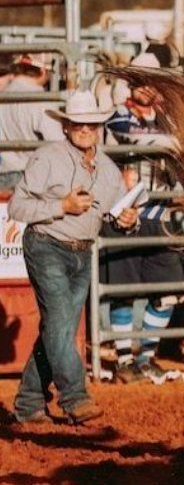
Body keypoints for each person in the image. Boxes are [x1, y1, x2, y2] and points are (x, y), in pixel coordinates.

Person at [10, 91, 138, 424]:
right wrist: (61, 207)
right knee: (60, 326)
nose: (85, 129)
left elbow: (117, 214)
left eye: (91, 124)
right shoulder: (47, 157)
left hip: (81, 251)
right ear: (66, 126)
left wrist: (128, 220)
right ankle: (74, 397)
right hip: (46, 244)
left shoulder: (108, 171)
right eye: (78, 124)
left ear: (98, 127)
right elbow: (16, 207)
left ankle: (28, 404)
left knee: (59, 328)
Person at [101, 53, 184, 384]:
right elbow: (134, 138)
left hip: (158, 211)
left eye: (150, 80)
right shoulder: (117, 117)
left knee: (167, 289)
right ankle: (125, 360)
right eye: (138, 79)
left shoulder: (167, 120)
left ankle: (146, 357)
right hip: (121, 210)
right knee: (123, 289)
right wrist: (176, 143)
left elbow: (178, 158)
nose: (144, 86)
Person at [0, 54, 64, 190]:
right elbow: (58, 143)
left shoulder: (3, 95)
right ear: (43, 71)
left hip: (3, 174)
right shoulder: (41, 100)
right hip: (31, 177)